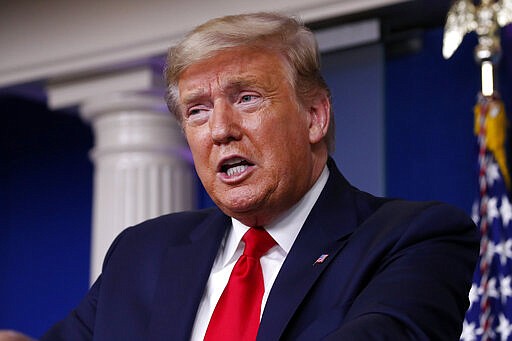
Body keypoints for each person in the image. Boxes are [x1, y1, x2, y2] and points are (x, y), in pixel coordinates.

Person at [39, 12, 479, 340]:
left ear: (314, 116)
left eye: (247, 98)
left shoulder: (415, 238)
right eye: (197, 110)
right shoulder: (142, 253)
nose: (220, 130)